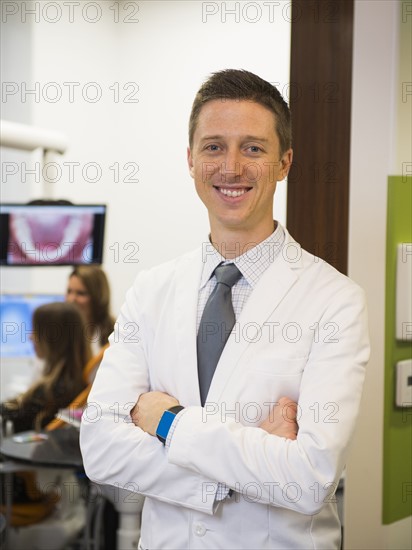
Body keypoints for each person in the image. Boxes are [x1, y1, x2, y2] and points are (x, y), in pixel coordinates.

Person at [80, 69, 370, 549]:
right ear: (190, 160)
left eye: (253, 148)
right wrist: (240, 470)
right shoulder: (151, 290)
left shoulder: (335, 300)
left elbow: (308, 478)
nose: (231, 167)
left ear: (285, 163)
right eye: (214, 147)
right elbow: (101, 449)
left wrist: (169, 422)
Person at [1, 301, 91, 433]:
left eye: (36, 331)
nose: (30, 336)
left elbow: (15, 415)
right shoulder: (72, 384)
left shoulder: (52, 392)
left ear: (54, 339)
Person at [66, 265, 115, 353]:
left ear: (98, 297)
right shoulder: (61, 330)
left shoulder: (115, 334)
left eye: (81, 293)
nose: (71, 299)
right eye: (69, 292)